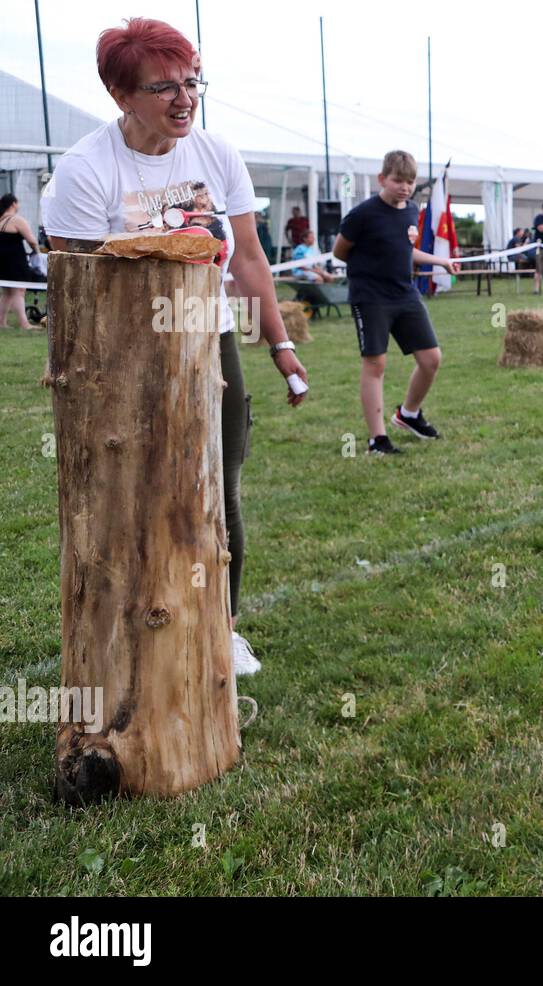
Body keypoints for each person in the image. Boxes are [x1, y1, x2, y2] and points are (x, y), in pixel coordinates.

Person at [39, 17, 310, 676]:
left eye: (192, 82)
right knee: (130, 491)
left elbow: (247, 260)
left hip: (205, 340)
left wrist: (279, 346)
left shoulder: (217, 156)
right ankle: (129, 627)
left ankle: (223, 626)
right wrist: (73, 366)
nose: (184, 98)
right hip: (122, 351)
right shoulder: (84, 170)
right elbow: (73, 285)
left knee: (219, 489)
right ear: (122, 96)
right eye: (164, 87)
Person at [333, 149, 460, 455]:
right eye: (397, 180)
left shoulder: (412, 210)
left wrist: (440, 261)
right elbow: (340, 251)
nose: (404, 187)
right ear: (382, 179)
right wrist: (369, 267)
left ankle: (408, 414)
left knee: (431, 359)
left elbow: (405, 251)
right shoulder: (362, 214)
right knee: (376, 364)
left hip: (405, 294)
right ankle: (377, 439)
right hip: (371, 297)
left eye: (410, 181)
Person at [0, 194, 41, 330]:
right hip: (15, 261)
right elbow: (31, 239)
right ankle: (24, 323)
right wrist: (37, 252)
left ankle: (2, 322)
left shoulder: (1, 221)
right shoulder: (17, 220)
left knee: (7, 292)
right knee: (18, 290)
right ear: (13, 204)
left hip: (3, 262)